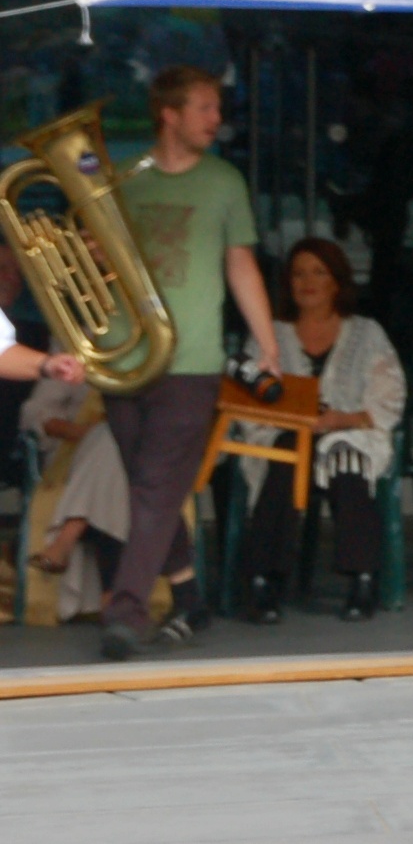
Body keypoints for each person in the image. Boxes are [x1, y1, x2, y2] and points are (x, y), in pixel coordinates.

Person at [97, 65, 280, 661]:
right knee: (147, 486)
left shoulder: (224, 182)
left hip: (192, 359)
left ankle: (126, 610)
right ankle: (189, 597)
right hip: (123, 353)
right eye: (205, 108)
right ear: (169, 114)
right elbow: (97, 258)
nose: (216, 119)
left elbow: (240, 263)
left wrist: (267, 343)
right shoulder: (125, 177)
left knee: (155, 486)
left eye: (217, 108)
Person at [237, 238, 407, 624]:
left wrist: (339, 420)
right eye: (298, 274)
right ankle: (263, 580)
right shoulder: (270, 334)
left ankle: (363, 579)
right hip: (285, 432)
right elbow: (247, 399)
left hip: (350, 430)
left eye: (318, 272)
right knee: (285, 453)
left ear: (337, 282)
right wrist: (295, 420)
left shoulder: (366, 333)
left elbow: (389, 398)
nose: (307, 282)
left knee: (346, 456)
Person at [18, 368, 128, 621]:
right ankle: (112, 599)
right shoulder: (77, 355)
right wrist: (86, 434)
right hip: (75, 455)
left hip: (137, 459)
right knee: (109, 443)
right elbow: (35, 412)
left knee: (114, 442)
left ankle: (65, 538)